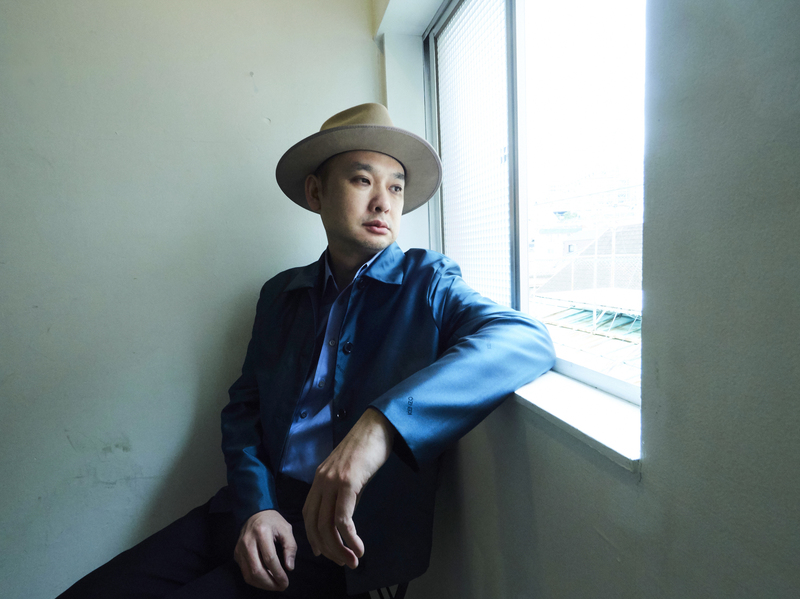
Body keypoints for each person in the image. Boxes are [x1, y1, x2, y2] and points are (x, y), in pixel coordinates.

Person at [57, 103, 555, 599]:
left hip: (336, 535)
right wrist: (256, 506)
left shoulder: (427, 282)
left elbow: (525, 339)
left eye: (396, 187)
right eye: (363, 180)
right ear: (316, 192)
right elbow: (244, 409)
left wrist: (380, 426)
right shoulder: (281, 295)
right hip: (247, 506)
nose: (383, 203)